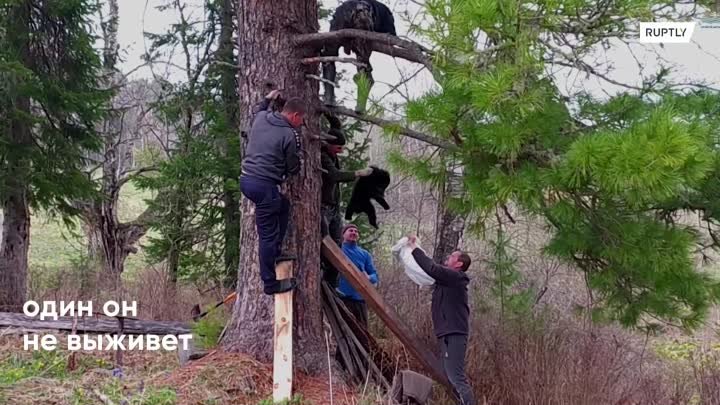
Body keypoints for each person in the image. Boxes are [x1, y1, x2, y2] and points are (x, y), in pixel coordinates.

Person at [240, 89, 304, 295]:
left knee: (283, 205)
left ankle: (275, 250)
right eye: (300, 120)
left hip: (247, 180)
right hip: (264, 186)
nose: (300, 124)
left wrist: (268, 98)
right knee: (266, 236)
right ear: (295, 116)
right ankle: (270, 284)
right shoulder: (290, 134)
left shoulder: (262, 118)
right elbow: (293, 168)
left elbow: (260, 108)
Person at [407, 236, 475, 405]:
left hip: (454, 333)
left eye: (452, 256)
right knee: (447, 376)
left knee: (456, 377)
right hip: (446, 333)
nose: (448, 258)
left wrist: (415, 248)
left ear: (459, 264)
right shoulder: (447, 280)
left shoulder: (455, 277)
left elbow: (432, 268)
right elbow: (429, 272)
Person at [320, 113, 373, 287]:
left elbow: (336, 123)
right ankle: (322, 276)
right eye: (337, 148)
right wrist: (357, 173)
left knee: (337, 246)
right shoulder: (322, 155)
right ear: (328, 144)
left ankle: (332, 284)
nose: (340, 151)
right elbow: (334, 176)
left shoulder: (332, 152)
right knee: (325, 243)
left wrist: (326, 111)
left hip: (334, 207)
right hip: (324, 207)